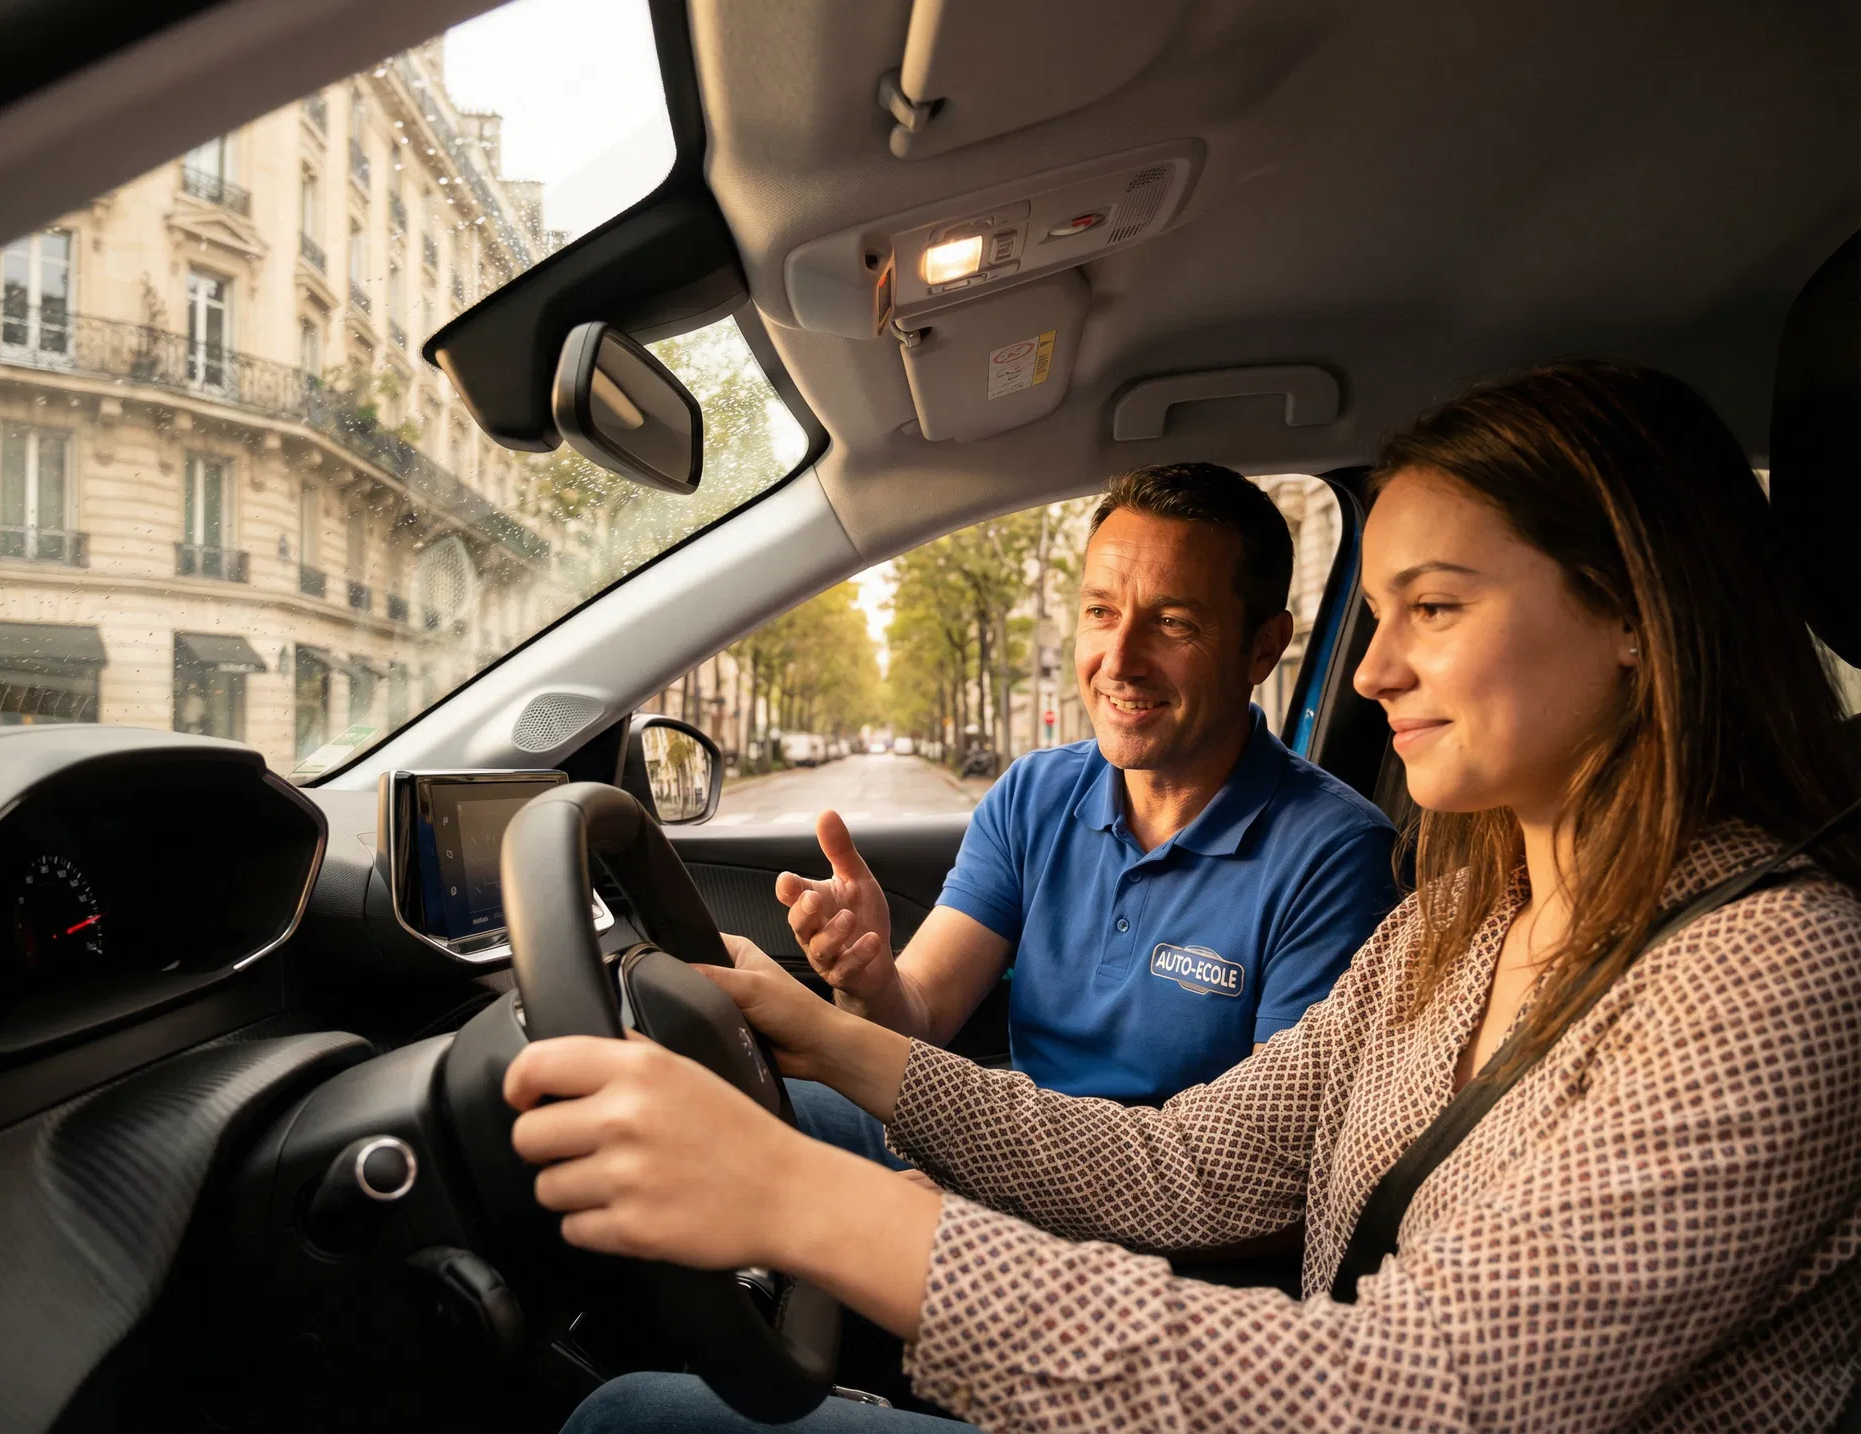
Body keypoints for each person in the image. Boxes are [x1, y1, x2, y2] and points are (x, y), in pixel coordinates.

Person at [514, 361, 1861, 1432]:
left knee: (634, 1415)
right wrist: (831, 1036)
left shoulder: (1774, 977)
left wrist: (811, 1206)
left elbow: (1413, 1393)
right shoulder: (1463, 925)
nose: (1376, 672)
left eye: (1435, 608)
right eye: (1374, 613)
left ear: (1636, 613)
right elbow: (1185, 1162)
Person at [781, 464, 1399, 1166]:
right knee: (729, 1093)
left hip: (1152, 1219)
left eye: (1172, 623)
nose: (1120, 660)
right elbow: (917, 1018)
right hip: (1008, 1146)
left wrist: (977, 1218)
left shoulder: (1336, 857)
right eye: (1101, 613)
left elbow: (1265, 1171)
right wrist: (867, 983)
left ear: (1262, 647)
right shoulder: (1033, 794)